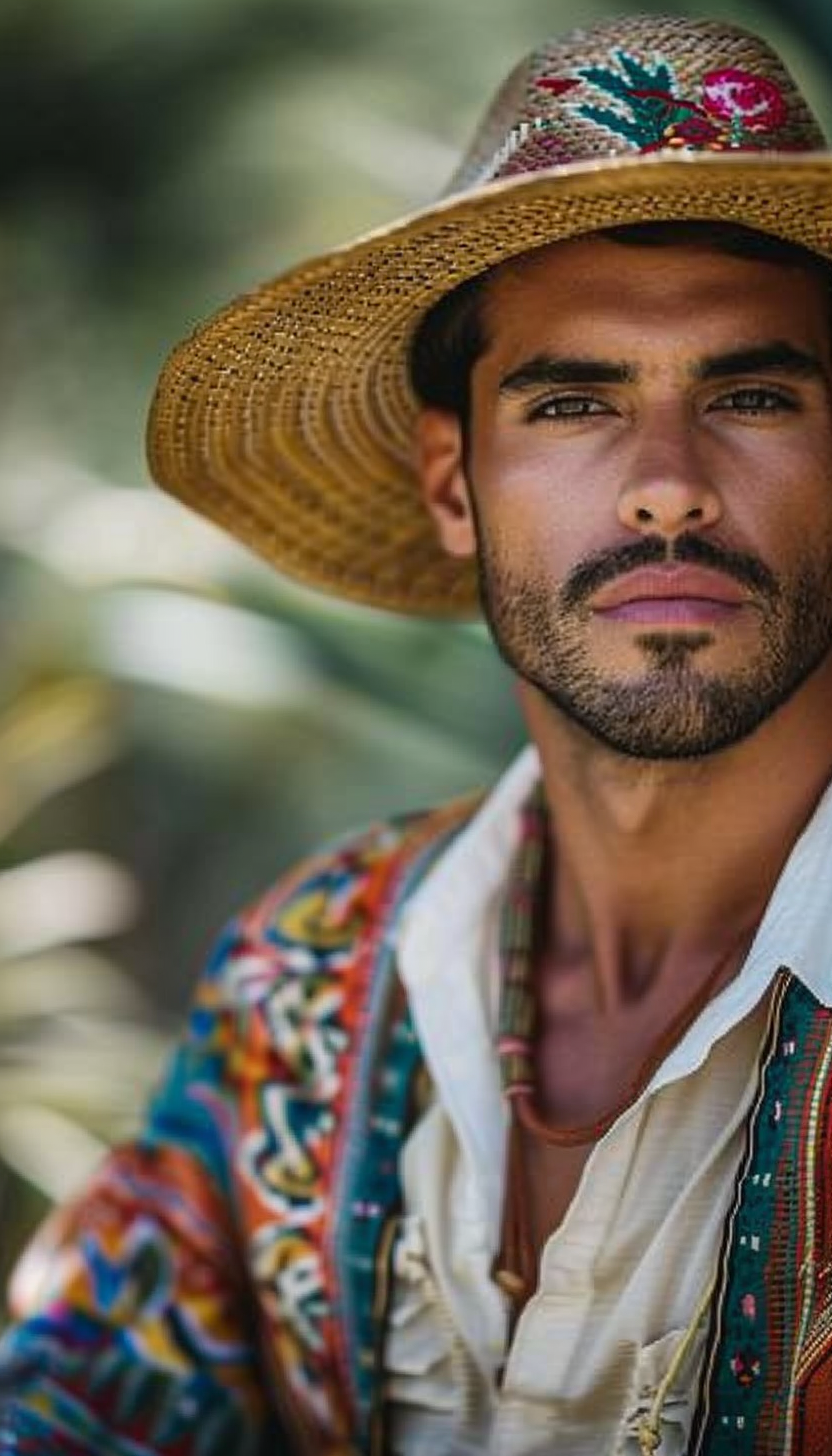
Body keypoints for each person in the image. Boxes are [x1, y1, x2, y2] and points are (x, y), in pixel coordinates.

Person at [4, 10, 832, 1455]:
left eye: (752, 394)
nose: (665, 490)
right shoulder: (307, 970)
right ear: (453, 482)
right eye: (573, 402)